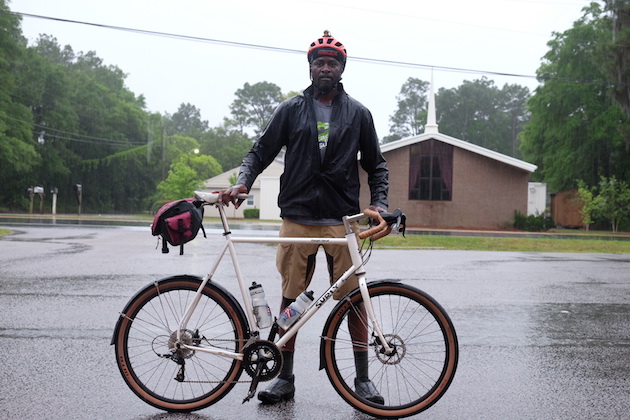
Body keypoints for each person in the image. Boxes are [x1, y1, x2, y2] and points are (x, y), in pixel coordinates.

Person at [218, 30, 388, 405]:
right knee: (291, 299)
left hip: (342, 219)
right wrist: (243, 182)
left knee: (354, 300)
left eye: (333, 63)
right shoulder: (290, 109)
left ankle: (362, 379)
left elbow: (377, 167)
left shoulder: (359, 114)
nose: (325, 68)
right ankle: (285, 377)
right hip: (297, 215)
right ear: (310, 68)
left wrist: (379, 203)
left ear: (342, 69)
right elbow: (259, 152)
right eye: (319, 62)